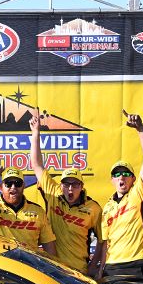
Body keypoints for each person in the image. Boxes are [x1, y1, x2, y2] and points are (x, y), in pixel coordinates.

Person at [29, 113, 103, 274]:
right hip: (53, 269)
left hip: (79, 271)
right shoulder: (53, 193)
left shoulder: (93, 208)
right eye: (67, 184)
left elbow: (103, 241)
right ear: (60, 185)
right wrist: (35, 133)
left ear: (82, 186)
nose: (70, 189)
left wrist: (94, 267)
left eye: (75, 185)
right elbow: (36, 165)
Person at [97, 111, 143, 281]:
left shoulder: (139, 192)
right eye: (117, 174)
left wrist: (140, 129)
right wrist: (101, 269)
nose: (121, 177)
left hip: (138, 264)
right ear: (112, 180)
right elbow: (106, 242)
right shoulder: (107, 207)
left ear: (133, 179)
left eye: (125, 173)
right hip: (112, 267)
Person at [0, 166, 57, 256]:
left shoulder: (38, 211)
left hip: (28, 265)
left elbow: (49, 245)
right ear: (1, 187)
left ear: (23, 186)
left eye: (17, 183)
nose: (13, 187)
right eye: (8, 183)